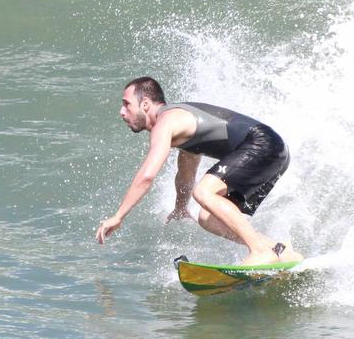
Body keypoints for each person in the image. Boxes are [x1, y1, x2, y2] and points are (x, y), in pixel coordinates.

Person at [95, 76, 303, 265]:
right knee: (207, 218)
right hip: (274, 151)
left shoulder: (165, 123)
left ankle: (258, 251)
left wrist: (119, 216)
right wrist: (180, 208)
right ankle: (278, 250)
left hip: (263, 144)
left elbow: (147, 176)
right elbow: (186, 174)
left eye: (126, 104)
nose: (122, 112)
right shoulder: (183, 125)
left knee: (203, 192)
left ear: (146, 104)